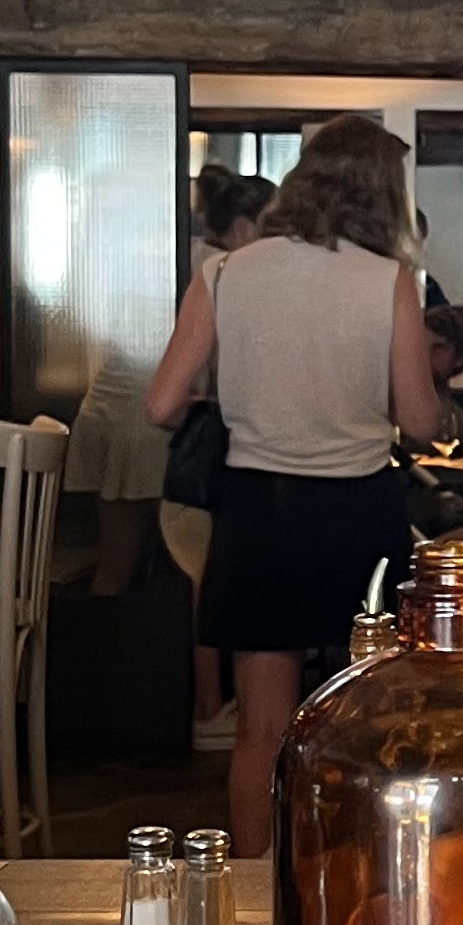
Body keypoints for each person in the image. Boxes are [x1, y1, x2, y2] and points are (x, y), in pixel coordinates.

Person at [147, 117, 437, 858]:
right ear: (384, 193)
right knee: (370, 720)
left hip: (259, 512)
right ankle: (366, 878)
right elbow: (419, 420)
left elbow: (161, 405)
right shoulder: (389, 282)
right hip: (358, 513)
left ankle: (253, 891)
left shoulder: (225, 272)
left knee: (261, 729)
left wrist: (240, 398)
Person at [156, 167, 270, 749]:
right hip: (214, 456)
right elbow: (167, 400)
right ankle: (209, 709)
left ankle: (217, 707)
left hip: (203, 452)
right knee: (210, 582)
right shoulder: (222, 272)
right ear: (246, 225)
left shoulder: (210, 266)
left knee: (209, 579)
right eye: (272, 225)